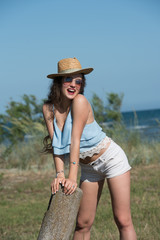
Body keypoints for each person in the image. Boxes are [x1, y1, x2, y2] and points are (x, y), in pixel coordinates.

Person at [43, 57, 137, 240]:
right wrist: (59, 174)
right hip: (88, 168)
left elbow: (74, 140)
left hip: (110, 159)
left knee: (122, 219)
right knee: (82, 224)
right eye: (68, 79)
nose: (73, 85)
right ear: (58, 82)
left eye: (78, 81)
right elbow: (57, 144)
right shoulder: (49, 108)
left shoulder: (80, 101)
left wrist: (71, 178)